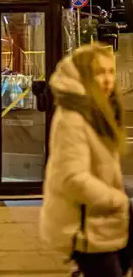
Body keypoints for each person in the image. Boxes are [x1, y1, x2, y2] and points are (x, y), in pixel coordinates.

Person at [40, 43, 132, 277]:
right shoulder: (73, 117)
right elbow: (72, 179)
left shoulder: (97, 111)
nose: (108, 79)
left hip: (102, 224)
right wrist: (118, 200)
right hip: (85, 229)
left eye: (111, 71)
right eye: (99, 72)